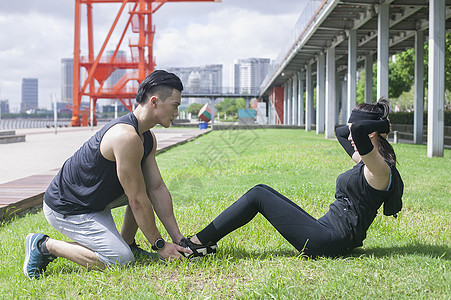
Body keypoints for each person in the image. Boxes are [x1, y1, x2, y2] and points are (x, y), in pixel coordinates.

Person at [180, 98, 404, 258]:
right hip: (325, 230)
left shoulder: (380, 169)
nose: (351, 136)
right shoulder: (366, 162)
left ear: (371, 132)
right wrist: (361, 125)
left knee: (258, 195)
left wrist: (379, 125)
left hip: (331, 241)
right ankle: (204, 243)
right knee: (262, 189)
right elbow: (340, 132)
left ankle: (198, 243)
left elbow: (359, 130)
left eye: (356, 129)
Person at [23, 70, 194, 279]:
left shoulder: (147, 137)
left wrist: (178, 238)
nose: (177, 112)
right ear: (155, 102)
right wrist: (159, 245)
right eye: (175, 105)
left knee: (147, 189)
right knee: (119, 259)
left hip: (95, 201)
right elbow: (137, 200)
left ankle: (129, 243)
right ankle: (43, 245)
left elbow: (156, 188)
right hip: (68, 207)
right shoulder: (125, 137)